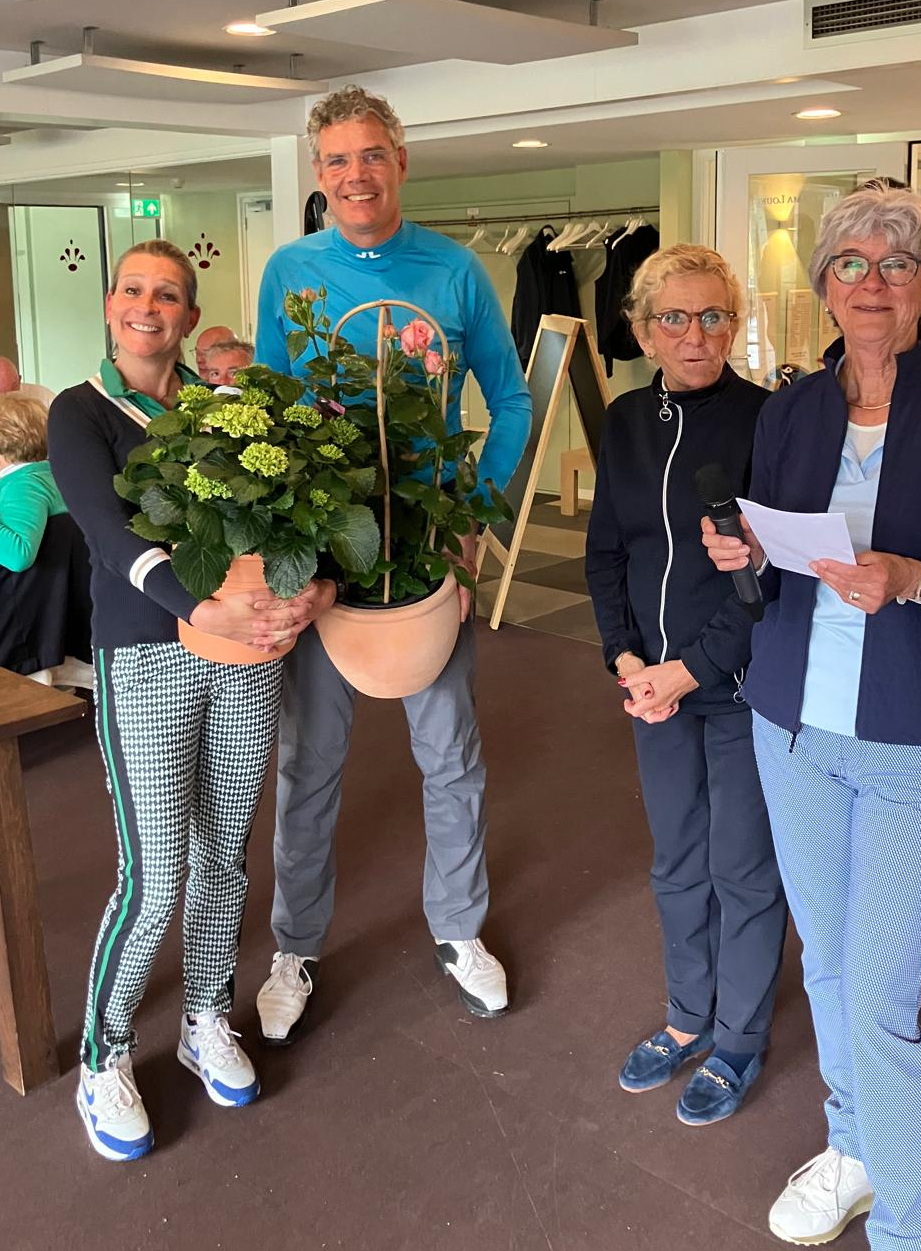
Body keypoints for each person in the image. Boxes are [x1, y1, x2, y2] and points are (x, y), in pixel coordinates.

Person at [702, 184, 921, 1249]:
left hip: (913, 743)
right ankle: (851, 1144)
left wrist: (918, 576)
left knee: (878, 997)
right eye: (849, 262)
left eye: (895, 263)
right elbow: (768, 572)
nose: (871, 281)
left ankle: (913, 1225)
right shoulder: (790, 410)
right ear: (823, 286)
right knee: (828, 967)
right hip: (792, 729)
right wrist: (743, 555)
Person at [254, 84, 531, 1042]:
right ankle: (294, 944)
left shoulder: (453, 270)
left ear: (400, 161)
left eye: (370, 154)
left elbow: (511, 399)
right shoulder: (290, 270)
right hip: (328, 551)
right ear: (318, 174)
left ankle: (459, 928)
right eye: (336, 160)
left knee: (450, 755)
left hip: (423, 549)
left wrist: (474, 512)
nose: (355, 174)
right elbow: (272, 408)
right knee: (308, 762)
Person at [47, 239, 329, 1163]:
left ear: (189, 315)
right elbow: (106, 529)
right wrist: (200, 606)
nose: (147, 305)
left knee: (223, 860)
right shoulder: (80, 410)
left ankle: (207, 1014)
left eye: (167, 294)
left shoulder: (217, 409)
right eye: (133, 289)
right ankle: (104, 1052)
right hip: (146, 655)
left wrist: (308, 591)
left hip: (244, 654)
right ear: (109, 304)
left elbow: (280, 518)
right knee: (155, 871)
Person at [585, 244, 786, 1127]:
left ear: (733, 326)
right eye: (674, 317)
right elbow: (606, 551)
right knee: (675, 860)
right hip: (652, 689)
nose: (695, 334)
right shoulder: (626, 419)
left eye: (713, 316)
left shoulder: (770, 420)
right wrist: (625, 660)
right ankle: (685, 1015)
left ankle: (738, 1036)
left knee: (741, 866)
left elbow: (770, 578)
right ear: (642, 331)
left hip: (737, 683)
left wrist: (692, 667)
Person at [0, 393, 91, 686]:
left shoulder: (24, 485)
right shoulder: (51, 474)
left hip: (24, 624)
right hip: (57, 617)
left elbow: (19, 555)